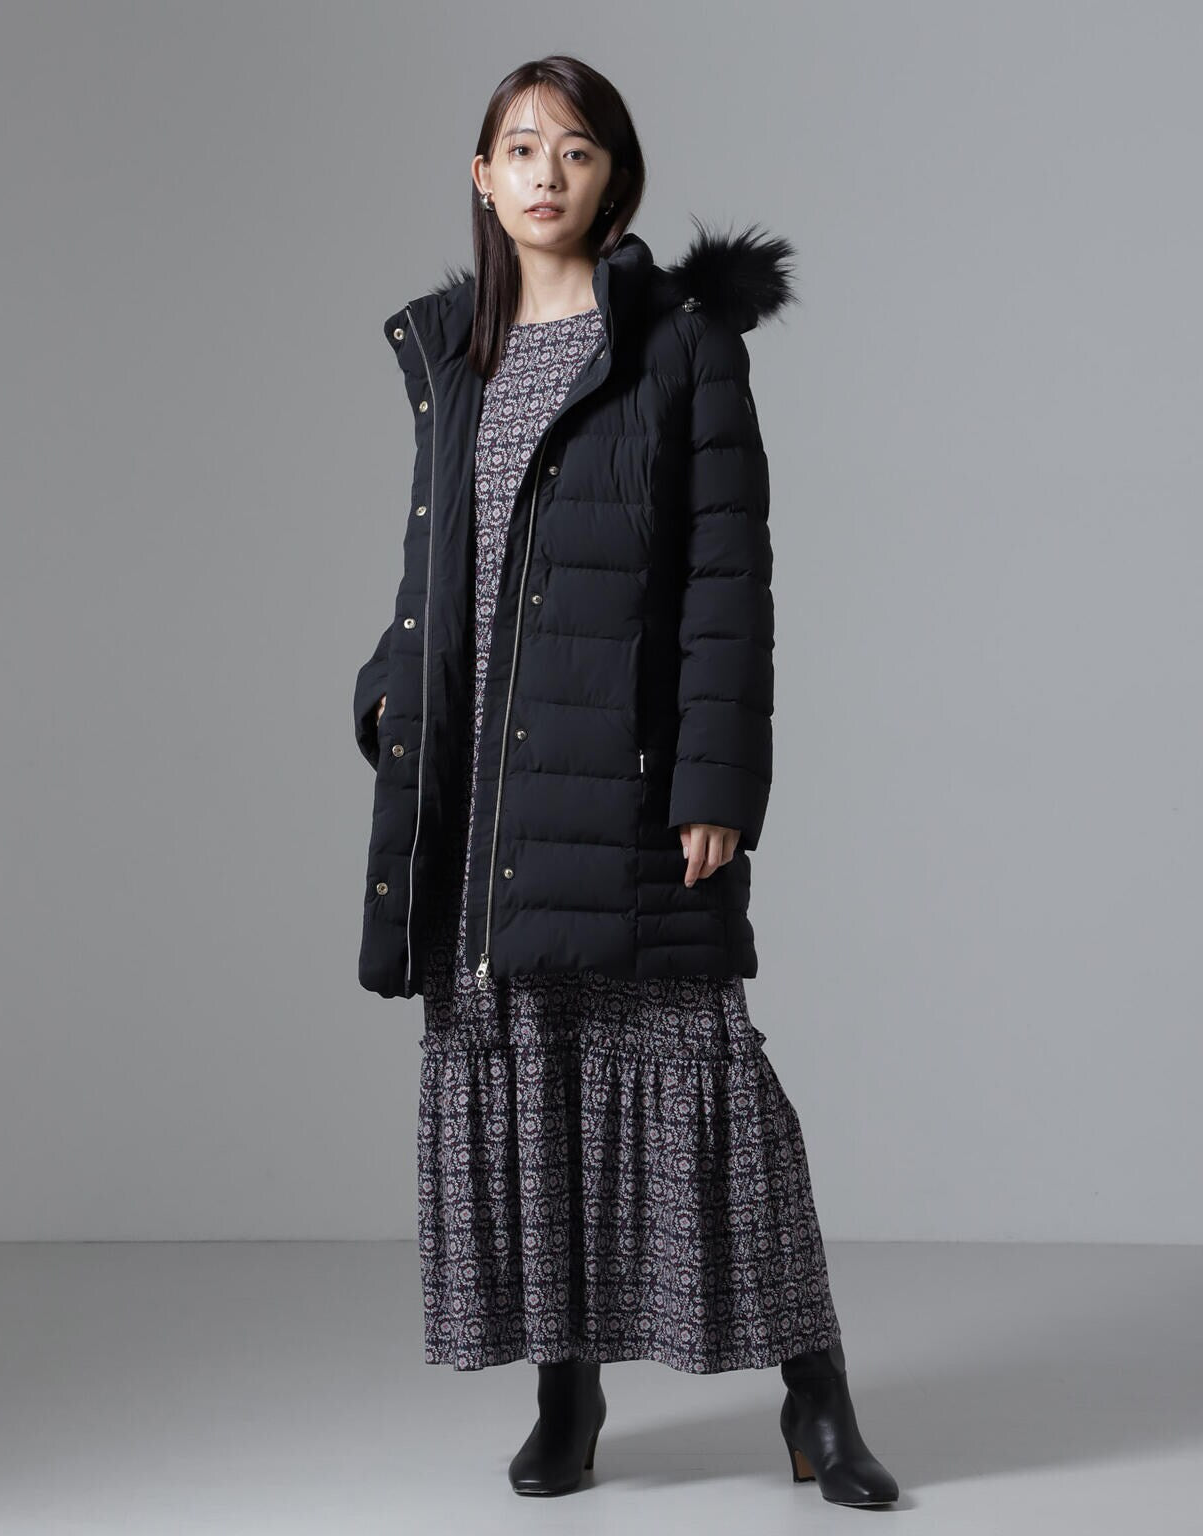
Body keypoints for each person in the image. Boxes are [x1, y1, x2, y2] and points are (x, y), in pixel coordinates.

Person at [352, 55, 899, 1508]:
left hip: (628, 776)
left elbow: (729, 581)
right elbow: (444, 561)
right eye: (521, 147)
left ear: (614, 180)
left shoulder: (681, 346)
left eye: (578, 149)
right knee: (528, 1085)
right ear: (482, 178)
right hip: (476, 792)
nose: (547, 172)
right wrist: (387, 685)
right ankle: (568, 1392)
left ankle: (818, 1399)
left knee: (708, 1087)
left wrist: (715, 778)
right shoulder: (450, 352)